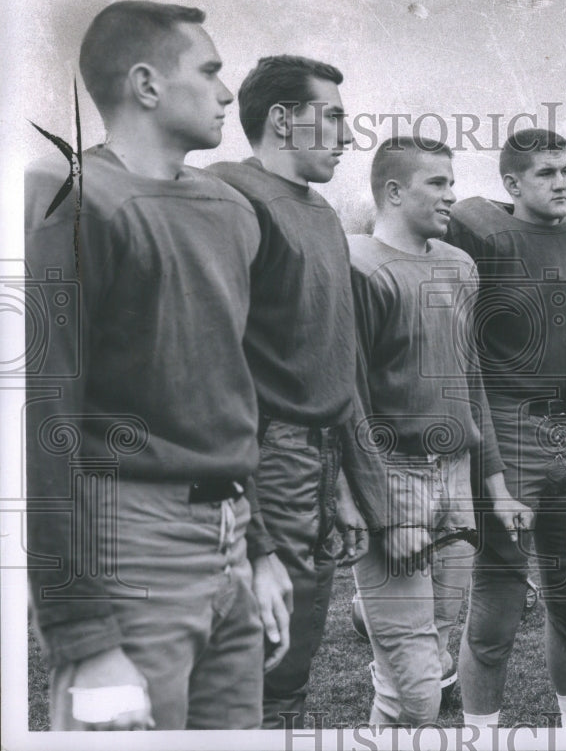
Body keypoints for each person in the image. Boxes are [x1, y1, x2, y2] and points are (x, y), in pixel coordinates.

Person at [24, 0, 287, 730]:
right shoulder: (71, 199)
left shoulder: (232, 209)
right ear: (146, 84)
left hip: (230, 540)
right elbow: (43, 422)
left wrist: (257, 547)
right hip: (128, 541)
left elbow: (224, 390)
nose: (228, 93)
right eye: (209, 71)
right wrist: (83, 635)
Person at [207, 55, 387, 728]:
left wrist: (344, 486)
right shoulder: (229, 195)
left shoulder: (325, 216)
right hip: (261, 454)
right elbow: (212, 362)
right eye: (333, 116)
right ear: (282, 120)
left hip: (320, 458)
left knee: (295, 654)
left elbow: (331, 364)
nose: (346, 136)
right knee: (253, 654)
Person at [445, 128, 566, 729]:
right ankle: (480, 736)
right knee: (498, 605)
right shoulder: (482, 233)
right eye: (544, 173)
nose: (560, 183)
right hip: (512, 422)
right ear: (511, 183)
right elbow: (467, 356)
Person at [348, 137, 529, 726]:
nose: (453, 195)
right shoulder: (358, 266)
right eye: (438, 183)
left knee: (427, 661)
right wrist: (377, 511)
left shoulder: (459, 264)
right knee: (419, 688)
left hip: (456, 480)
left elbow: (470, 381)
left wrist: (496, 486)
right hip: (392, 476)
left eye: (453, 182)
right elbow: (347, 403)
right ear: (394, 191)